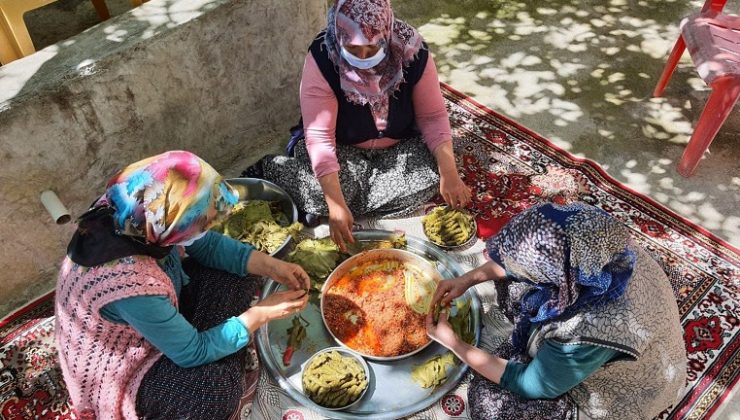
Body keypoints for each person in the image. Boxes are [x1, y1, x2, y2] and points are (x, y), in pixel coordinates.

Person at [54, 151, 310, 420]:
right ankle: (224, 351)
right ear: (175, 227)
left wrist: (273, 267)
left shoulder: (146, 213)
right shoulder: (130, 284)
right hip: (134, 360)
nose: (210, 227)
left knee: (242, 273)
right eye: (206, 222)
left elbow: (208, 245)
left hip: (161, 311)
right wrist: (260, 314)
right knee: (214, 394)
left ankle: (222, 343)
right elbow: (191, 353)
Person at [427, 202, 686, 420]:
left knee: (491, 402)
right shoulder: (590, 237)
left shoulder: (586, 332)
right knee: (511, 286)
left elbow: (533, 385)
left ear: (562, 279)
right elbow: (522, 259)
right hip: (612, 329)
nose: (513, 266)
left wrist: (454, 343)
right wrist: (468, 279)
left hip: (626, 390)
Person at [250, 0, 471, 251]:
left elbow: (432, 117)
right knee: (330, 192)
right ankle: (273, 169)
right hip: (342, 148)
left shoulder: (412, 52)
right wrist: (335, 204)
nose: (364, 58)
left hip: (397, 149)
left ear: (386, 33)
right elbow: (320, 138)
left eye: (373, 47)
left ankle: (338, 202)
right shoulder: (323, 57)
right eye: (354, 50)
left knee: (438, 172)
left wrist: (449, 174)